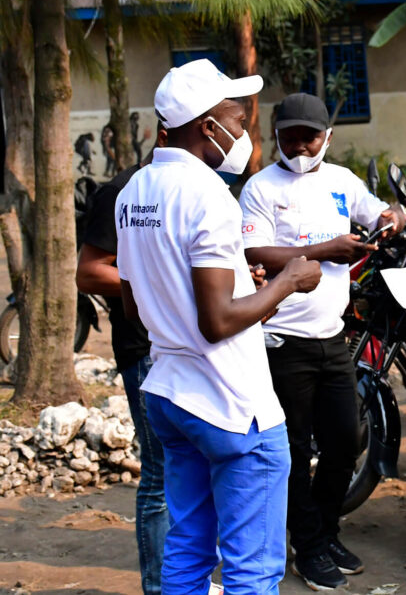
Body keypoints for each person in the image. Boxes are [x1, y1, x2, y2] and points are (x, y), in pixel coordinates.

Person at [116, 58, 323, 594]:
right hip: (232, 405)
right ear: (207, 127)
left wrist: (249, 295)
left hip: (169, 393)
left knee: (186, 552)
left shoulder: (133, 192)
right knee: (250, 570)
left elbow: (139, 303)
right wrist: (288, 280)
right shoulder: (208, 195)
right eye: (237, 119)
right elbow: (216, 323)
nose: (245, 132)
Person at [239, 92, 406, 590]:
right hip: (281, 340)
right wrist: (325, 249)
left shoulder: (340, 180)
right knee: (290, 450)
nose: (298, 146)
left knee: (343, 441)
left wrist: (390, 218)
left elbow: (381, 208)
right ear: (275, 137)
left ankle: (326, 531)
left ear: (327, 138)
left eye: (308, 137)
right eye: (288, 137)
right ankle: (307, 546)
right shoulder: (260, 189)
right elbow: (254, 249)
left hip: (333, 336)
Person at [76, 127, 168, 595]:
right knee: (161, 473)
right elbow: (90, 272)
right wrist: (154, 279)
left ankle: (184, 581)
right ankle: (159, 587)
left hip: (191, 349)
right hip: (145, 352)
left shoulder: (202, 189)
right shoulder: (123, 191)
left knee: (192, 473)